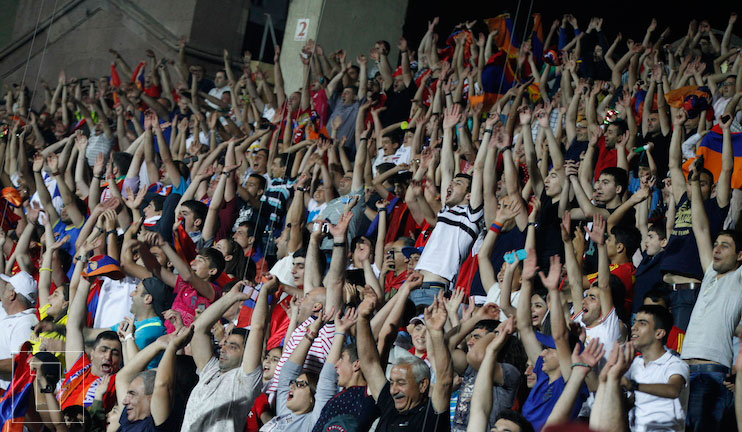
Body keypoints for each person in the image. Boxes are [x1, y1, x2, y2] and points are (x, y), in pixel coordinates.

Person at [180, 277, 274, 432]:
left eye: (233, 347)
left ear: (247, 354)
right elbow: (197, 330)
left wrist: (263, 292)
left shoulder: (244, 381)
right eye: (225, 343)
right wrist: (231, 297)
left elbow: (258, 327)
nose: (223, 348)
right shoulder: (209, 371)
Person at [357, 290, 453, 431]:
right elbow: (370, 365)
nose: (394, 390)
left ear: (422, 385)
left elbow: (444, 380)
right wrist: (362, 318)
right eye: (392, 383)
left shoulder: (432, 412)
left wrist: (436, 333)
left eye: (401, 383)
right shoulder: (390, 402)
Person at [624, 304, 689, 431]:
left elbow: (673, 390)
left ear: (659, 333)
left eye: (642, 323)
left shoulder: (674, 364)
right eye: (634, 322)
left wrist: (634, 386)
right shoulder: (636, 363)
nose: (633, 328)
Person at [0, 271, 39, 390]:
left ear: (12, 294)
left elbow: (21, 362)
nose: (2, 292)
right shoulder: (5, 311)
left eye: (6, 288)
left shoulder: (26, 324)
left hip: (6, 397)